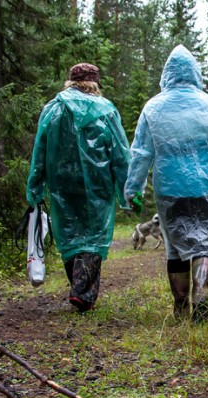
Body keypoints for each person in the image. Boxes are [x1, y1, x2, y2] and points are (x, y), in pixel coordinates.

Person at [124, 45, 208, 322]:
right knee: (206, 246)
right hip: (207, 189)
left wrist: (132, 190)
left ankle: (181, 306)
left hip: (169, 190)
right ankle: (201, 299)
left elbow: (141, 154)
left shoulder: (152, 108)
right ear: (196, 74)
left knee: (174, 248)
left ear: (166, 74)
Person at [26, 63, 130, 312]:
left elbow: (40, 150)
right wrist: (128, 188)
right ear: (94, 83)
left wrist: (35, 186)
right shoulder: (105, 109)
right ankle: (82, 292)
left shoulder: (52, 109)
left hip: (62, 184)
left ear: (70, 82)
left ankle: (79, 288)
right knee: (94, 235)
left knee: (69, 233)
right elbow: (120, 152)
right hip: (97, 185)